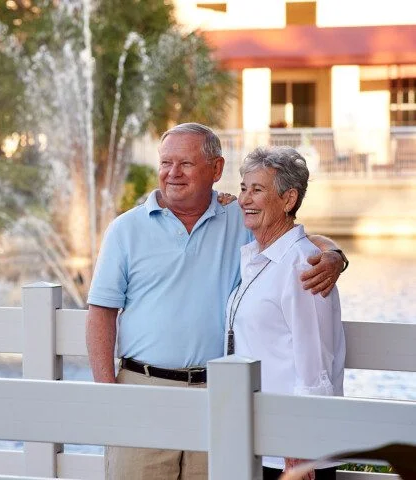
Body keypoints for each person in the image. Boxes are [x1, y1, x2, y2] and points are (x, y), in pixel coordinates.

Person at [86, 123, 348, 480]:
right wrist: (108, 394)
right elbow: (101, 312)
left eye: (186, 164)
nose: (172, 173)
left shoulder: (240, 219)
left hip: (219, 395)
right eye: (165, 162)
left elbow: (294, 236)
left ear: (216, 169)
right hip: (143, 390)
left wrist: (333, 254)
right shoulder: (125, 229)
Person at [227, 146, 346, 480]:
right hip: (262, 439)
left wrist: (299, 447)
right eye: (243, 188)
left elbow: (315, 364)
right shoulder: (257, 258)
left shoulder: (302, 264)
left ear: (289, 199)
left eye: (258, 190)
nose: (245, 199)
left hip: (291, 453)